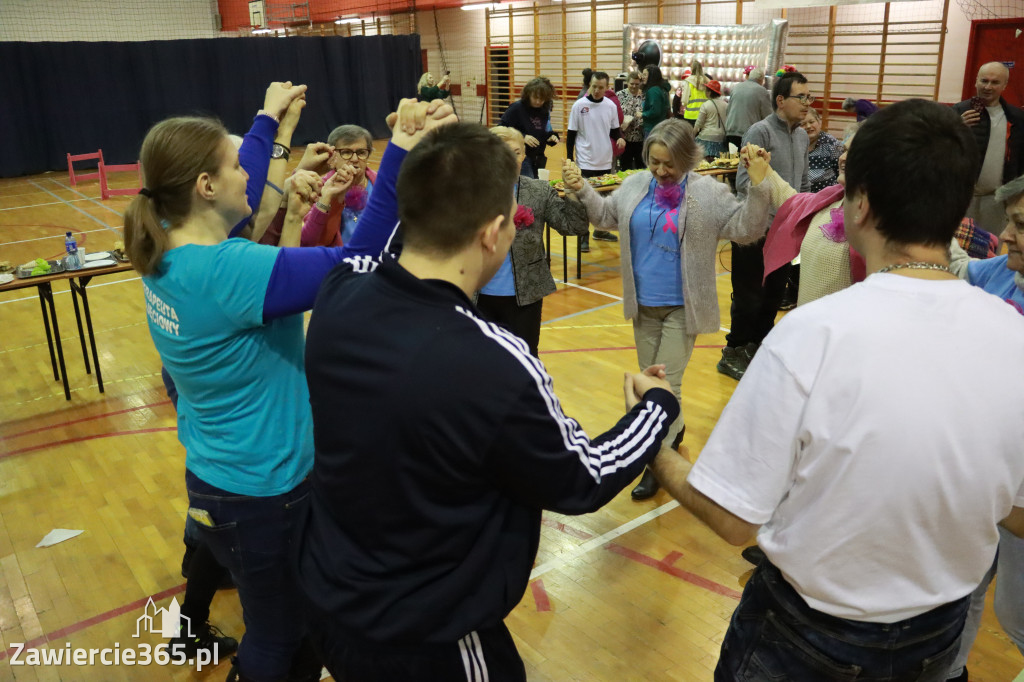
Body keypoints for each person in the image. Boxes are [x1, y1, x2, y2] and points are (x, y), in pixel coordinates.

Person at [651, 98, 1024, 682]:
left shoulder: (810, 335)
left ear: (862, 203)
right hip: (940, 636)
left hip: (809, 636)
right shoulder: (1014, 336)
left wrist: (657, 451)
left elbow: (732, 520)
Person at [296, 121, 680, 681]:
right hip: (428, 635)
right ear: (495, 231)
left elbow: (371, 249)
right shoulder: (492, 360)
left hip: (334, 597)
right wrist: (657, 408)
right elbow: (582, 477)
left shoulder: (339, 294)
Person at [124, 94, 446, 682]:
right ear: (204, 186)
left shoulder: (168, 243)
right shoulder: (227, 272)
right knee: (278, 635)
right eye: (235, 167)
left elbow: (243, 200)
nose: (250, 172)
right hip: (263, 493)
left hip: (221, 476)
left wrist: (271, 122)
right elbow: (357, 259)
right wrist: (399, 148)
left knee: (292, 626)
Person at [564, 118, 785, 500]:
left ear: (687, 158)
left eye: (670, 164)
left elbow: (748, 228)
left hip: (683, 307)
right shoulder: (635, 184)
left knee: (666, 387)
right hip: (643, 305)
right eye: (654, 162)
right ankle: (672, 433)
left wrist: (761, 186)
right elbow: (604, 216)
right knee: (651, 387)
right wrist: (581, 189)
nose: (662, 171)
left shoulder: (708, 193)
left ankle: (658, 462)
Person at [944, 176, 1024, 681]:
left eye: (1019, 225)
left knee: (1017, 614)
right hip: (979, 474)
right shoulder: (993, 274)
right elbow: (953, 271)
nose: (1007, 234)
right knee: (963, 588)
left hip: (1018, 490)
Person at [718, 71, 812, 380]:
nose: (807, 104)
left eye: (808, 97)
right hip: (755, 232)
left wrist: (804, 212)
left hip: (785, 233)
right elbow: (746, 183)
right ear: (781, 100)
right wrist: (781, 208)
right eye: (802, 97)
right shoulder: (759, 132)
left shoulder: (800, 135)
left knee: (773, 295)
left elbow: (804, 183)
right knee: (748, 296)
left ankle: (756, 347)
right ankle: (733, 351)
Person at [479, 127, 590, 356]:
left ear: (523, 156)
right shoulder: (469, 193)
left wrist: (572, 191)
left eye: (517, 152)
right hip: (477, 297)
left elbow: (573, 226)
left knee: (525, 360)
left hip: (525, 298)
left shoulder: (538, 191)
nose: (510, 159)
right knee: (481, 364)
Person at [761, 127, 866, 307]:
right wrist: (764, 170)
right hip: (810, 326)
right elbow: (792, 201)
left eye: (854, 153)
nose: (843, 158)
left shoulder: (884, 222)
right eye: (845, 150)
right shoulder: (829, 201)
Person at [953, 62, 1024, 236]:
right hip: (961, 196)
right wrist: (956, 128)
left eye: (995, 82)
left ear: (1004, 86)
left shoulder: (1017, 118)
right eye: (984, 81)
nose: (988, 87)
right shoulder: (958, 111)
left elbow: (1021, 158)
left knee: (992, 247)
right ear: (976, 82)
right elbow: (938, 150)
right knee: (957, 249)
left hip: (998, 199)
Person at [567, 70, 625, 250]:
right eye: (594, 86)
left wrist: (620, 137)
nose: (597, 90)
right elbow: (571, 135)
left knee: (604, 199)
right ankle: (583, 236)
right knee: (584, 201)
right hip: (585, 160)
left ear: (607, 88)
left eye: (601, 87)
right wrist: (570, 158)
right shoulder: (579, 105)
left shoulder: (610, 106)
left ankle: (600, 230)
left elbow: (614, 130)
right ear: (589, 85)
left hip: (606, 160)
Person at [300, 125, 376, 246]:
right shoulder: (318, 188)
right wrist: (331, 200)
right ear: (333, 157)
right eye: (346, 152)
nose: (355, 159)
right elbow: (310, 241)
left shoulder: (381, 184)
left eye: (361, 152)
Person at [500, 76, 560, 179]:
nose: (538, 101)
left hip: (538, 158)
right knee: (528, 188)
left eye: (542, 99)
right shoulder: (517, 108)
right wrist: (522, 137)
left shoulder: (545, 109)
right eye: (535, 97)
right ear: (528, 94)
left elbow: (544, 131)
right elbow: (501, 129)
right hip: (522, 158)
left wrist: (552, 137)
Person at [725, 67, 773, 152]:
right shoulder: (762, 91)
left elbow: (728, 110)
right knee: (749, 161)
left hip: (731, 131)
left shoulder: (736, 87)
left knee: (733, 161)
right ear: (761, 80)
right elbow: (768, 116)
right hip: (749, 133)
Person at [802, 108, 843, 193]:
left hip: (827, 196)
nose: (808, 126)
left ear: (819, 122)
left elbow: (841, 172)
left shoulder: (832, 144)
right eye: (802, 124)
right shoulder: (794, 144)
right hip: (800, 195)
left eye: (811, 122)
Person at [616, 71, 646, 170]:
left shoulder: (644, 96)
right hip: (625, 137)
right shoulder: (620, 95)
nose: (634, 86)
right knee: (625, 165)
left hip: (640, 137)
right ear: (627, 82)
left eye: (637, 84)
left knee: (641, 166)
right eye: (631, 84)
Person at [694, 80, 727, 159]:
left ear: (709, 92)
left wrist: (692, 136)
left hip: (706, 138)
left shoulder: (705, 105)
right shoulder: (726, 105)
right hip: (722, 138)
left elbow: (698, 125)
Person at [640, 64, 671, 137]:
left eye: (645, 75)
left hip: (652, 127)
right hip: (661, 126)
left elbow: (655, 111)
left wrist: (642, 114)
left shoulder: (653, 90)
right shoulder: (662, 88)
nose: (642, 77)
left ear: (651, 76)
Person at [679, 60, 710, 127]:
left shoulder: (688, 81)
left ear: (692, 69)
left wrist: (683, 104)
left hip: (690, 115)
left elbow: (684, 100)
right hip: (705, 115)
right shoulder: (707, 81)